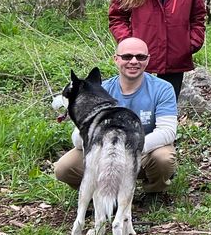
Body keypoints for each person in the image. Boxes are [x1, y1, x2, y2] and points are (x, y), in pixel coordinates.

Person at [54, 37, 178, 196]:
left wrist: (131, 147)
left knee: (164, 158)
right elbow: (78, 138)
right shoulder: (99, 90)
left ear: (148, 60)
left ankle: (154, 192)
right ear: (116, 59)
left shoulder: (163, 88)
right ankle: (99, 194)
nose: (133, 61)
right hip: (104, 150)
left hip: (144, 150)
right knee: (64, 168)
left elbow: (168, 131)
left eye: (140, 57)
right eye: (127, 56)